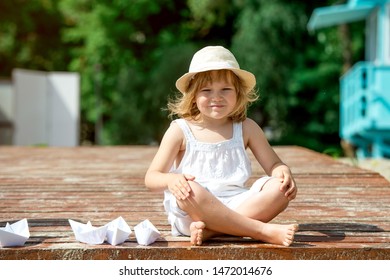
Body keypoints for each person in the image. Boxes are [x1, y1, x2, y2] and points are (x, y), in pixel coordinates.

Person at [144, 46, 298, 246]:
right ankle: (261, 231)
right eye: (206, 91)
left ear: (238, 93)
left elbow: (274, 164)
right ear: (193, 95)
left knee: (280, 189)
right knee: (189, 189)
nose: (216, 97)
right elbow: (151, 177)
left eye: (225, 89)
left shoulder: (246, 128)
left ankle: (211, 232)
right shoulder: (180, 130)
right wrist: (172, 180)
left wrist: (282, 171)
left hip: (238, 204)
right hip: (194, 211)